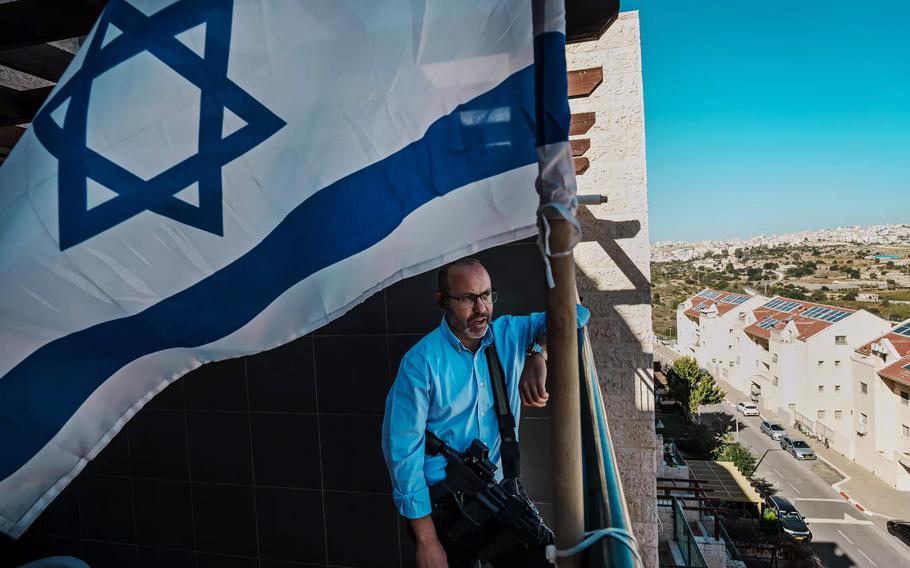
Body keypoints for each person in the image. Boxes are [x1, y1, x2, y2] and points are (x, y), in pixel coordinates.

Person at [381, 257, 589, 568]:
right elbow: (402, 453)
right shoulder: (420, 363)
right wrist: (427, 540)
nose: (481, 309)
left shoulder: (510, 334)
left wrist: (538, 353)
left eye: (487, 295)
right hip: (445, 510)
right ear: (442, 301)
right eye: (467, 299)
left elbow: (576, 314)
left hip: (499, 498)